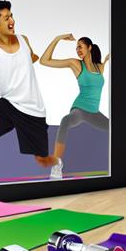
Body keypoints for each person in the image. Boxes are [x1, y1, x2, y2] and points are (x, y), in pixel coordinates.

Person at [0, 0, 58, 186]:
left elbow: (31, 57)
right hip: (9, 105)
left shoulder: (24, 40)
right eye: (6, 18)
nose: (12, 21)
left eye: (12, 16)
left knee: (42, 160)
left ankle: (57, 163)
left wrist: (26, 63)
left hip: (33, 109)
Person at [40, 34, 110, 179]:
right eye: (76, 47)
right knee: (66, 121)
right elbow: (44, 61)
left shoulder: (100, 67)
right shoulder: (76, 64)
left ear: (89, 47)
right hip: (80, 109)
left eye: (80, 46)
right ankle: (56, 164)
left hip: (95, 113)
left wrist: (108, 59)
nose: (77, 49)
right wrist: (57, 38)